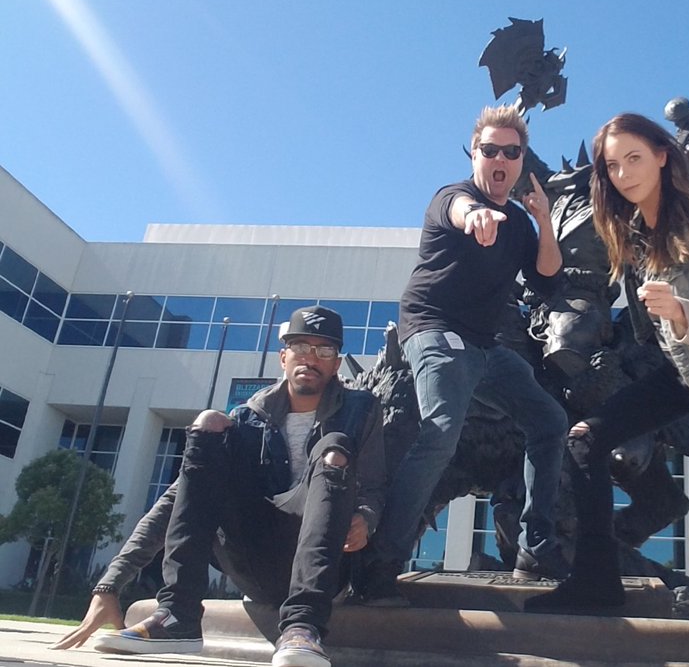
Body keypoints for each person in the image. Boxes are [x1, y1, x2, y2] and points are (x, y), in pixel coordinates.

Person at [55, 305, 385, 667]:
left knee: (334, 447)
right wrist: (110, 584)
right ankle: (178, 615)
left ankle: (303, 628)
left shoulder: (361, 409)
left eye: (324, 350)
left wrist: (365, 517)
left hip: (326, 566)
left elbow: (372, 487)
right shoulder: (248, 417)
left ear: (336, 364)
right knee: (210, 423)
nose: (311, 358)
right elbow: (177, 500)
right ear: (283, 357)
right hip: (257, 557)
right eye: (301, 347)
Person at [526, 112, 689, 613]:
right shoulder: (623, 225)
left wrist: (681, 309)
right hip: (671, 372)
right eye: (613, 165)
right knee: (584, 440)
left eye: (635, 159)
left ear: (662, 157)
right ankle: (596, 582)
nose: (624, 174)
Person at [363, 104, 569, 596]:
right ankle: (380, 559)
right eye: (490, 150)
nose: (500, 158)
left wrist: (543, 220)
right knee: (441, 432)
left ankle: (535, 549)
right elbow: (459, 211)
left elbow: (547, 279)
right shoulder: (451, 197)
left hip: (482, 344)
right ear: (475, 154)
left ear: (521, 161)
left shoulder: (520, 221)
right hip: (432, 329)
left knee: (549, 421)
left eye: (511, 152)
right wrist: (475, 214)